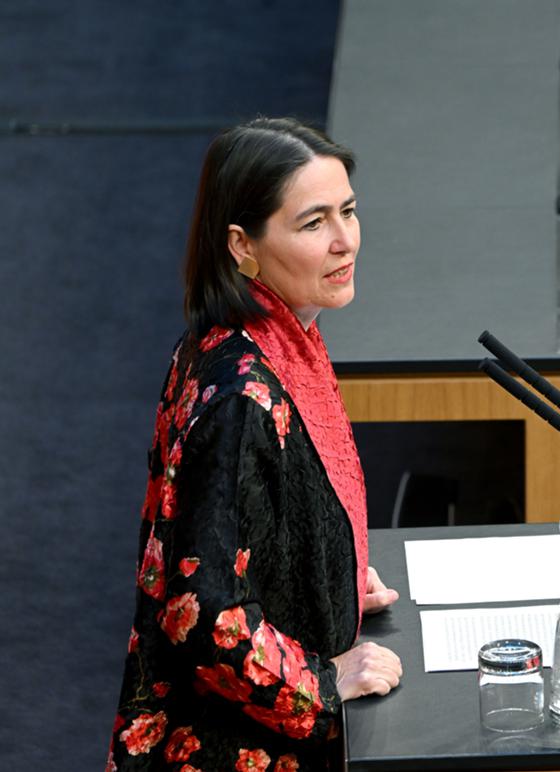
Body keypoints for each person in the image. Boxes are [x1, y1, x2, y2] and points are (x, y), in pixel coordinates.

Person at [108, 117, 403, 770]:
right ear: (242, 245)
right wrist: (324, 685)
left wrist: (336, 580)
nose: (344, 241)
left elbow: (268, 519)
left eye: (348, 212)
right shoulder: (241, 394)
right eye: (312, 223)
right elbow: (204, 612)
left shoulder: (260, 335)